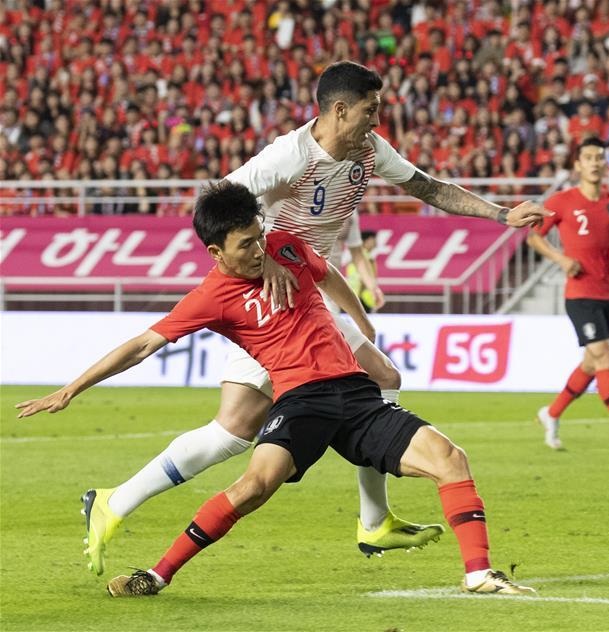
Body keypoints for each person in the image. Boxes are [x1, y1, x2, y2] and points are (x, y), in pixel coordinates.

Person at [72, 60, 549, 576]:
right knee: (232, 431)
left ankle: (374, 519)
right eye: (371, 109)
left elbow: (429, 188)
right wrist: (270, 256)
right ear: (340, 109)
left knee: (377, 378)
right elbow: (216, 201)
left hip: (306, 288)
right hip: (267, 293)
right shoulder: (288, 156)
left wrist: (502, 214)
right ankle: (115, 503)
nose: (379, 118)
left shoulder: (368, 151)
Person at [17, 181, 535, 598]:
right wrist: (71, 389)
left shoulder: (283, 246)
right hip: (299, 402)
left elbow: (327, 271)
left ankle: (479, 575)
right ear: (217, 252)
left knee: (451, 458)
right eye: (246, 245)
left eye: (258, 235)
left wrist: (359, 320)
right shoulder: (211, 296)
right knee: (251, 487)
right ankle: (156, 575)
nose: (258, 248)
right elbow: (140, 345)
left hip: (355, 396)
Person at [525, 138, 609, 451]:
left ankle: (551, 413)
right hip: (580, 293)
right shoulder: (562, 201)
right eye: (588, 157)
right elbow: (534, 238)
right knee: (606, 356)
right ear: (578, 165)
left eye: (600, 157)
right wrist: (561, 259)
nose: (595, 162)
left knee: (591, 363)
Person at [345, 229, 380, 313]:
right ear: (367, 241)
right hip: (363, 298)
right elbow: (364, 278)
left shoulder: (354, 258)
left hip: (352, 296)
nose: (375, 243)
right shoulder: (366, 258)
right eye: (373, 239)